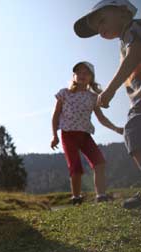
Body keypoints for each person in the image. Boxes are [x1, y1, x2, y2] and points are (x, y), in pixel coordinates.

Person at [74, 0, 141, 209]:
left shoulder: (134, 28)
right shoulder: (124, 40)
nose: (100, 29)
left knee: (133, 130)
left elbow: (135, 54)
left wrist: (110, 89)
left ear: (123, 12)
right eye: (97, 28)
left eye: (102, 20)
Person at [51, 61, 123, 205]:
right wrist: (55, 136)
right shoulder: (64, 93)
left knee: (99, 162)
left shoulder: (93, 98)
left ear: (91, 77)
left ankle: (101, 196)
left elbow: (101, 118)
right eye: (79, 72)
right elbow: (55, 115)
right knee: (75, 167)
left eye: (86, 73)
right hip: (68, 134)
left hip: (85, 135)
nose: (82, 75)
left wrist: (116, 129)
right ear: (74, 76)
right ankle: (76, 198)